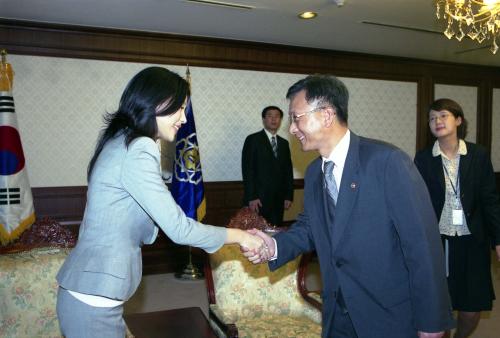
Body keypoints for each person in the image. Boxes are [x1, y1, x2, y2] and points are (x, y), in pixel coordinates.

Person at [56, 67, 264, 338]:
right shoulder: (139, 148)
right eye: (179, 107)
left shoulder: (120, 140)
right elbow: (179, 230)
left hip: (91, 291)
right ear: (154, 101)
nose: (183, 116)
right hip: (94, 297)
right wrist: (240, 236)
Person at [245, 74, 454, 338]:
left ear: (326, 115)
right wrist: (273, 246)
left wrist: (432, 320)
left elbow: (422, 244)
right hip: (337, 312)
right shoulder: (313, 173)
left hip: (386, 315)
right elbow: (311, 227)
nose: (292, 128)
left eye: (296, 118)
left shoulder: (386, 162)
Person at [414, 98, 500, 338]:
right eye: (432, 118)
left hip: (472, 241)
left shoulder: (478, 155)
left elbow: (490, 200)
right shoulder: (423, 159)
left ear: (458, 120)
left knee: (472, 309)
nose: (437, 121)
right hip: (439, 243)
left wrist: (498, 240)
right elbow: (417, 204)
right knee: (441, 303)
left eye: (443, 115)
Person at [242, 106, 294, 226]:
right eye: (270, 116)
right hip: (258, 199)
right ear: (264, 119)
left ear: (280, 120)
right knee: (257, 233)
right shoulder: (253, 140)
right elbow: (247, 170)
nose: (273, 119)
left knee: (275, 231)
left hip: (279, 199)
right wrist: (252, 196)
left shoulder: (284, 144)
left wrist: (288, 196)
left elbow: (288, 171)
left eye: (277, 116)